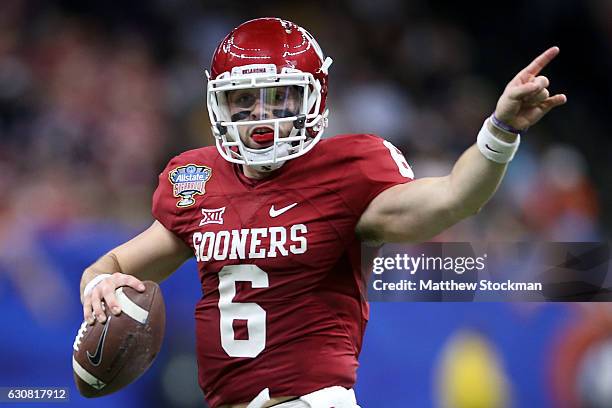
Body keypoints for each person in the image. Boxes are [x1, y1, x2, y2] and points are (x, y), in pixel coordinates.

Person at [78, 17, 566, 408]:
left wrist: (499, 130)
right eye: (244, 100)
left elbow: (453, 198)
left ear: (314, 96)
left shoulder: (347, 172)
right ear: (218, 104)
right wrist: (97, 288)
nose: (261, 116)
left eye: (278, 97)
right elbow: (112, 266)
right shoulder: (199, 182)